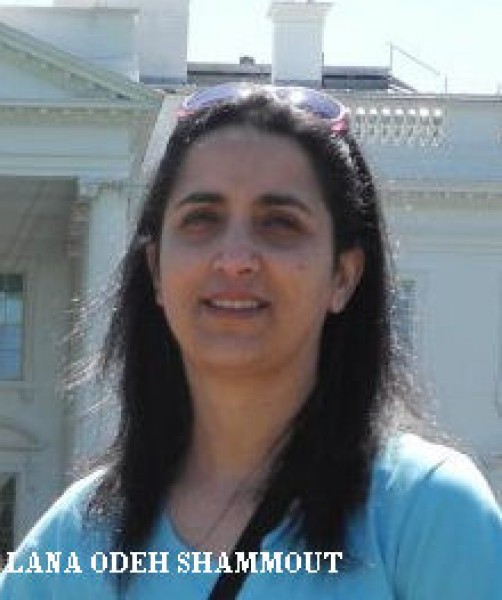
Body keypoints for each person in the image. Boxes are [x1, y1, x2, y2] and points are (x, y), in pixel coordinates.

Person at [1, 83, 501, 599]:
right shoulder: (74, 540)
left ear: (343, 276)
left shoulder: (426, 514)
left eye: (279, 223)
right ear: (156, 271)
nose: (235, 259)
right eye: (202, 219)